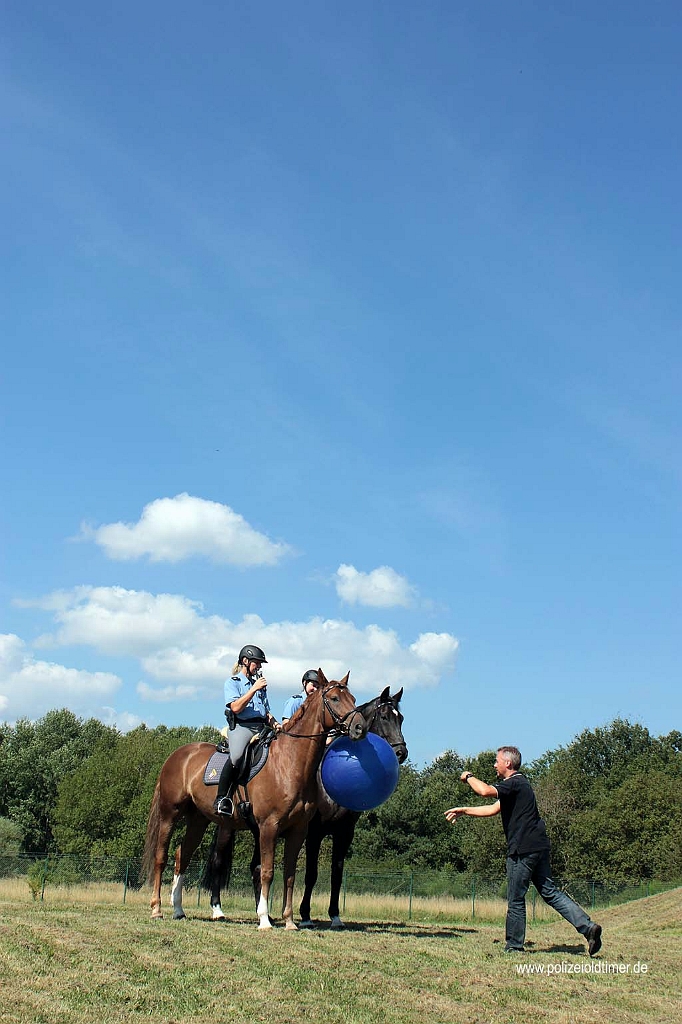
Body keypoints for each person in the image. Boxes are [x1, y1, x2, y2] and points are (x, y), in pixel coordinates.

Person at [445, 746, 602, 956]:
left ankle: (514, 946)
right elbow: (493, 808)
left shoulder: (515, 782)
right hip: (538, 846)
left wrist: (468, 776)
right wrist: (464, 810)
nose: (494, 764)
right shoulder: (519, 785)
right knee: (550, 892)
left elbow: (484, 791)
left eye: (497, 761)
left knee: (516, 898)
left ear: (507, 763)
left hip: (522, 849)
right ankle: (588, 927)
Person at [214, 644, 280, 816]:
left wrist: (277, 724)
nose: (259, 667)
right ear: (245, 661)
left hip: (261, 727)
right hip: (242, 727)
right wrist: (253, 689)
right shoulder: (233, 682)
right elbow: (235, 707)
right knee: (236, 757)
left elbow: (266, 712)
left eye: (260, 664)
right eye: (256, 663)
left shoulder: (259, 685)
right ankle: (222, 799)